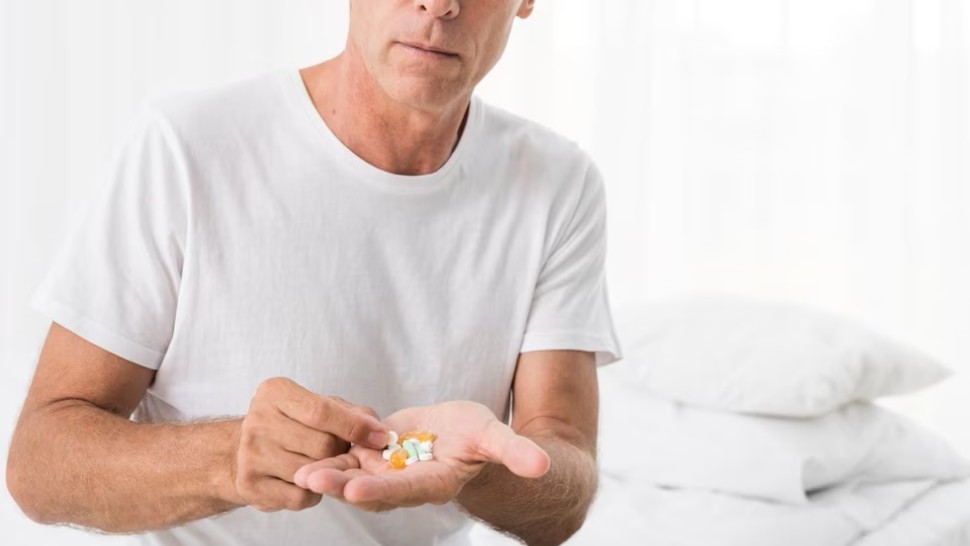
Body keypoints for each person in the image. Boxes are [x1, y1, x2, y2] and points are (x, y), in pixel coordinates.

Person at [6, 0, 622, 545]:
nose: (439, 5)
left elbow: (562, 490)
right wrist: (231, 455)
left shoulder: (557, 185)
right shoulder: (188, 146)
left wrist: (482, 464)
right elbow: (39, 463)